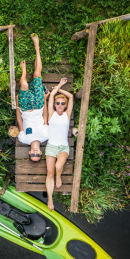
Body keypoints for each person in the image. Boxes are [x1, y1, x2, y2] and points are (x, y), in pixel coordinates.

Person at [16, 33, 50, 162]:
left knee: (24, 84)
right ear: (41, 152)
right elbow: (45, 117)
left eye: (32, 155)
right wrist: (45, 100)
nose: (35, 153)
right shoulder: (45, 136)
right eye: (38, 155)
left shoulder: (23, 138)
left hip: (25, 108)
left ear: (29, 152)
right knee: (37, 74)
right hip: (38, 105)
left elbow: (20, 121)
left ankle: (23, 70)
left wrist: (17, 106)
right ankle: (37, 47)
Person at [45, 78, 73, 210]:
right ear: (55, 105)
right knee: (49, 173)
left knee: (58, 165)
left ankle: (59, 176)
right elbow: (51, 97)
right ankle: (50, 199)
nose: (60, 105)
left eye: (62, 103)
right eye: (58, 103)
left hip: (63, 147)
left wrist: (60, 89)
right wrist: (59, 85)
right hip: (51, 147)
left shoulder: (67, 115)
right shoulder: (51, 114)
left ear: (65, 105)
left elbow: (71, 96)